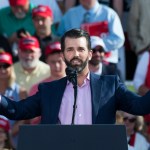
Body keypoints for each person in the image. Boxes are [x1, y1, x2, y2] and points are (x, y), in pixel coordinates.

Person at [0, 29, 150, 125]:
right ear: (63, 55)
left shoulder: (110, 85)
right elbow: (17, 110)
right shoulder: (49, 90)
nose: (76, 54)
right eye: (70, 49)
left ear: (90, 54)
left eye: (80, 49)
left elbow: (140, 106)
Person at [29, 41, 66, 124]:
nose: (57, 66)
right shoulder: (37, 88)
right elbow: (33, 120)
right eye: (53, 62)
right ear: (47, 61)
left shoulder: (77, 85)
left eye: (60, 61)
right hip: (45, 132)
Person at [0, 51, 28, 148]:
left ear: (11, 67)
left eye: (6, 66)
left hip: (15, 141)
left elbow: (25, 117)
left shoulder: (21, 91)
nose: (2, 69)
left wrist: (9, 132)